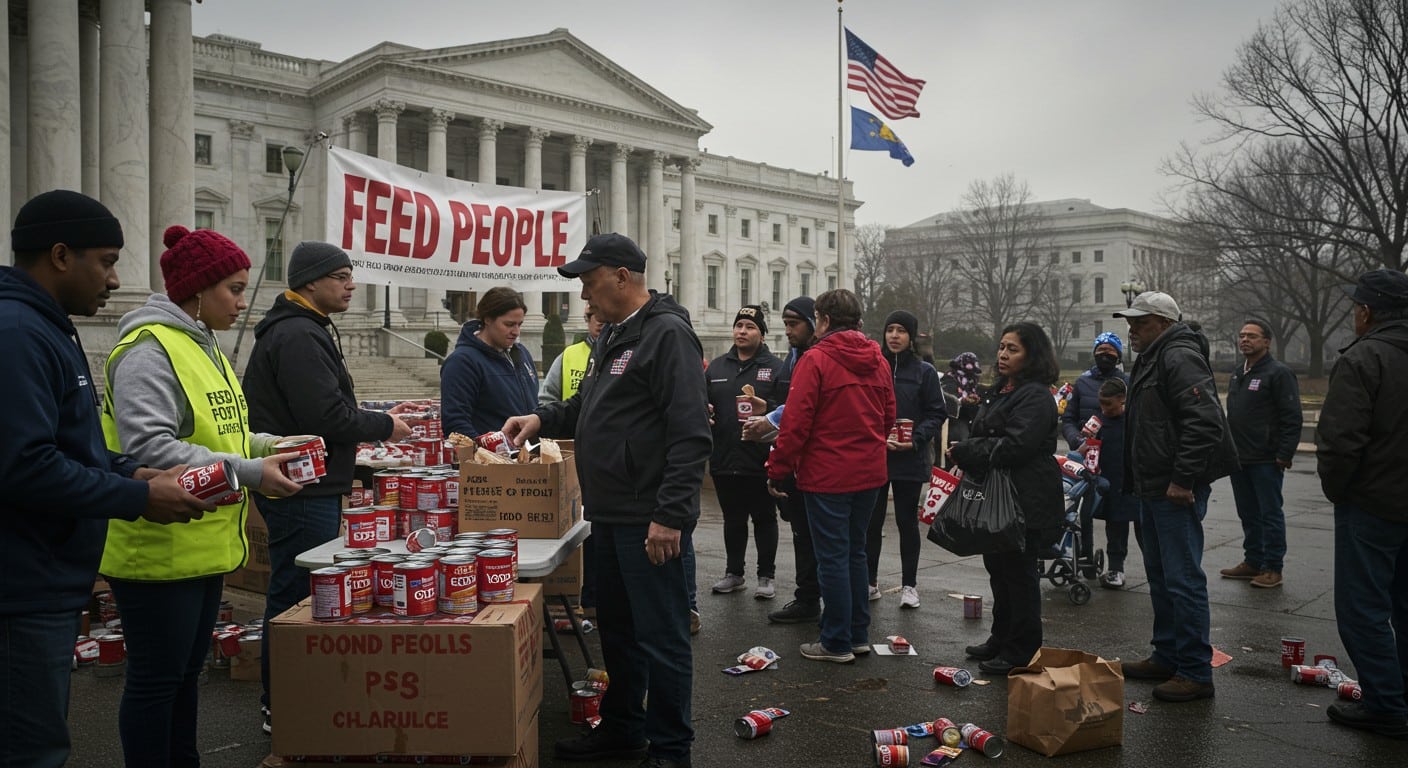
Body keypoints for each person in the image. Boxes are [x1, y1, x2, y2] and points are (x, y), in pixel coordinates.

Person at [0, 191, 212, 768]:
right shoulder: (18, 331)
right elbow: (23, 466)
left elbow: (78, 445)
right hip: (22, 584)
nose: (117, 279)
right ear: (62, 256)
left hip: (44, 575)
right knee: (32, 750)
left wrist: (128, 469)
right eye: (107, 260)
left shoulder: (49, 327)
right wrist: (138, 494)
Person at [100, 225, 306, 767]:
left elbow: (225, 434)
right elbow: (151, 448)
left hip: (200, 544)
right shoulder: (149, 349)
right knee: (156, 682)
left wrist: (273, 446)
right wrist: (250, 471)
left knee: (182, 678)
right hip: (156, 547)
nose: (244, 301)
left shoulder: (203, 343)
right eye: (234, 289)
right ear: (196, 289)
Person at [502, 233, 709, 768]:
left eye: (590, 283)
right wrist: (541, 419)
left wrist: (670, 516)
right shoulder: (615, 335)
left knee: (662, 639)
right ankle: (623, 729)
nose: (585, 297)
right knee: (619, 632)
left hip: (648, 519)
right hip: (611, 515)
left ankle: (669, 750)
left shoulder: (666, 334)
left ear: (622, 276)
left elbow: (690, 434)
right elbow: (587, 407)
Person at [241, 240, 412, 734]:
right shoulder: (298, 334)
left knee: (302, 594)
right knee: (297, 597)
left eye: (350, 274)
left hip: (309, 483)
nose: (351, 284)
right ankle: (285, 702)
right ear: (310, 282)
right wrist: (383, 427)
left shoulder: (305, 329)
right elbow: (325, 414)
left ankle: (294, 695)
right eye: (340, 276)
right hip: (301, 489)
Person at [1112, 291, 1238, 703]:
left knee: (1183, 579)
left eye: (1140, 322)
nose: (1131, 329)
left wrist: (1183, 480)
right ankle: (1167, 655)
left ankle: (1195, 671)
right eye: (1130, 321)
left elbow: (1203, 424)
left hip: (1173, 489)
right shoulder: (1154, 355)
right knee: (1162, 576)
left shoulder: (1177, 356)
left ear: (1164, 323)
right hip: (1153, 487)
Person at [766, 289, 893, 663]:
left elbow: (796, 423)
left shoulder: (816, 359)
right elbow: (887, 417)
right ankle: (856, 634)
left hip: (827, 473)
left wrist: (778, 469)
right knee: (854, 553)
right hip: (869, 471)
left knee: (833, 557)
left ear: (822, 320)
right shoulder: (879, 360)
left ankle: (836, 640)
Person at [1316, 269, 1408, 739]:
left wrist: (1339, 489)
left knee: (1362, 609)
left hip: (1372, 504)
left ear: (1367, 312)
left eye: (1357, 307)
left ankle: (1387, 706)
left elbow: (1339, 441)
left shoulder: (1364, 357)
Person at [951, 322, 1064, 675]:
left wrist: (968, 450)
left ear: (1032, 355)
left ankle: (1022, 650)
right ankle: (1000, 638)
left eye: (1012, 349)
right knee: (998, 571)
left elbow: (1017, 445)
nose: (1002, 354)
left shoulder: (1036, 395)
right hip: (998, 496)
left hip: (1025, 498)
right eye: (1001, 347)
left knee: (1019, 575)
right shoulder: (1004, 389)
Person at [743, 296, 824, 625]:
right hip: (796, 460)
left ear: (814, 323)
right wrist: (770, 412)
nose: (788, 331)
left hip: (818, 462)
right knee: (803, 535)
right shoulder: (794, 357)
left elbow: (805, 407)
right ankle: (807, 598)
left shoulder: (816, 358)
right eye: (786, 324)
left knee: (824, 540)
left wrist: (773, 421)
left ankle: (828, 608)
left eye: (794, 324)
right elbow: (789, 401)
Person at [866, 309, 946, 608]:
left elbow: (937, 412)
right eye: (890, 330)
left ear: (911, 336)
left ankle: (909, 585)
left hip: (910, 458)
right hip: (876, 456)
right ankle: (869, 581)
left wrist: (915, 439)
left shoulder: (923, 371)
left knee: (905, 521)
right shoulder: (874, 367)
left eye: (901, 330)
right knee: (870, 523)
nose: (894, 336)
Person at [706, 306, 784, 600]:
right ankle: (734, 573)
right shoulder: (716, 367)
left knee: (764, 518)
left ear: (762, 334)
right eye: (739, 325)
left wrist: (769, 408)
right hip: (725, 457)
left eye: (750, 326)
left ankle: (767, 576)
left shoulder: (776, 368)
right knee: (733, 519)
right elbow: (704, 400)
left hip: (761, 458)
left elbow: (789, 406)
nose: (742, 331)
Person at [1221, 319, 1302, 590]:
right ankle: (1253, 561)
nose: (1245, 340)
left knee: (1270, 514)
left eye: (1252, 336)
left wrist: (1285, 452)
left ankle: (1272, 567)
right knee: (1248, 513)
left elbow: (1292, 416)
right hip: (1240, 457)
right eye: (1242, 335)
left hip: (1267, 458)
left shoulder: (1278, 373)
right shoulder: (1237, 373)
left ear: (1266, 342)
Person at [1061, 332, 1129, 577]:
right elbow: (1067, 418)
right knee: (1082, 512)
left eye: (1110, 351)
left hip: (1118, 459)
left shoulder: (1128, 382)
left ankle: (1116, 566)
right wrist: (1077, 439)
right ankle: (1084, 560)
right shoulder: (1083, 382)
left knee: (1117, 516)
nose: (1105, 355)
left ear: (1119, 355)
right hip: (1086, 457)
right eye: (1100, 350)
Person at [442, 287, 539, 439]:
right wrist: (489, 453)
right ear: (487, 319)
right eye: (509, 324)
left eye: (519, 324)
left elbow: (533, 406)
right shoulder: (462, 362)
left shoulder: (521, 353)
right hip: (490, 460)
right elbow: (456, 425)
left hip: (527, 456)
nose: (516, 332)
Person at [1086, 377, 1141, 589]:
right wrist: (1087, 441)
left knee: (1144, 528)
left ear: (1122, 399)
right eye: (1101, 404)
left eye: (1108, 404)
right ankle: (1116, 568)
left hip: (1133, 482)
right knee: (1115, 526)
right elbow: (1089, 451)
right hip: (1109, 482)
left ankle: (1159, 570)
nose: (1104, 409)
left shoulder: (1134, 421)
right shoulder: (1098, 423)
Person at [540, 307, 606, 405]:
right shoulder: (568, 355)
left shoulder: (624, 354)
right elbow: (547, 399)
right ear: (587, 319)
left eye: (605, 317)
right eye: (595, 315)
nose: (600, 322)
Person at [939, 352, 983, 468]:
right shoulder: (948, 379)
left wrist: (976, 401)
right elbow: (945, 399)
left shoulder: (972, 383)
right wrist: (962, 401)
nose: (971, 375)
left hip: (967, 428)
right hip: (949, 428)